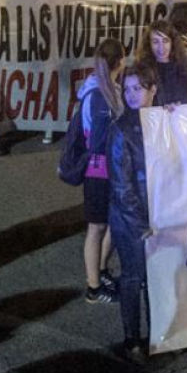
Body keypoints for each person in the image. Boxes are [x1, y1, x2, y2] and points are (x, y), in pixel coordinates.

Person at [106, 62, 157, 364]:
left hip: (154, 216)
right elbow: (122, 186)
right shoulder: (121, 129)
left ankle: (157, 333)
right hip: (131, 220)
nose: (131, 95)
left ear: (153, 90)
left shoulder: (161, 121)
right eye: (127, 89)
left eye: (138, 88)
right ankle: (131, 340)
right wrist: (142, 223)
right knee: (132, 278)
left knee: (155, 279)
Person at [77, 38, 123, 305]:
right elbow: (96, 141)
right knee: (96, 228)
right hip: (99, 172)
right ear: (121, 62)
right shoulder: (100, 96)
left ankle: (101, 271)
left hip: (106, 171)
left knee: (111, 224)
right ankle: (93, 287)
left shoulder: (102, 89)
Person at [135, 20, 187, 106]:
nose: (161, 47)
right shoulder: (140, 70)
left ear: (172, 42)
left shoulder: (186, 69)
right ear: (149, 44)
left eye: (165, 41)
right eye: (155, 42)